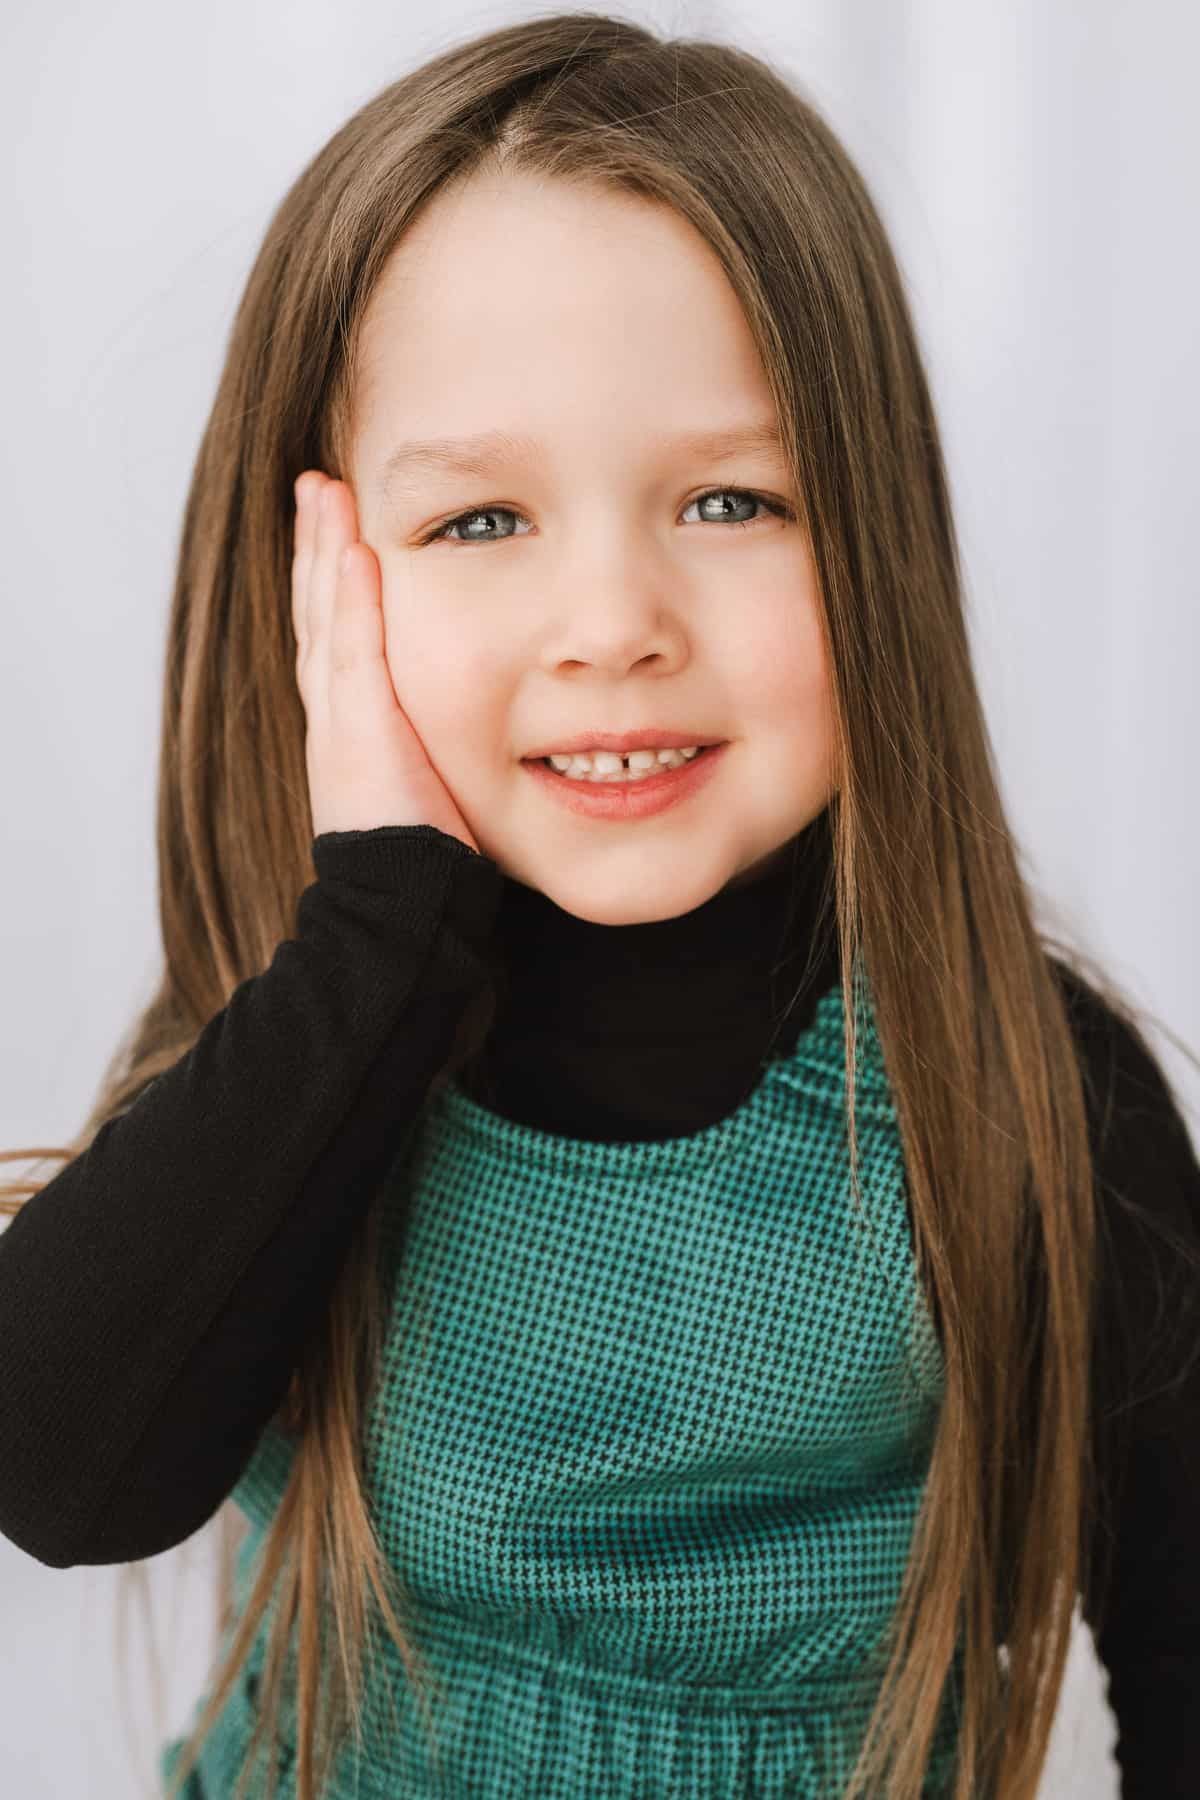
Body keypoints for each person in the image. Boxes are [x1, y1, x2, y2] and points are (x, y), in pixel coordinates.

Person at [0, 12, 1197, 1799]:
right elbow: (63, 1479)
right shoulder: (302, 1038)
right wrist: (378, 933)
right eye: (483, 521)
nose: (616, 622)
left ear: (876, 539)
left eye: (731, 499)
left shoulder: (1026, 1090)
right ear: (323, 580)